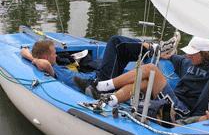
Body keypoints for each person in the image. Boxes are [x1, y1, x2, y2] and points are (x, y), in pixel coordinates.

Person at [77, 36, 209, 119]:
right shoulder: (188, 62)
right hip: (173, 98)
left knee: (150, 70)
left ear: (205, 54)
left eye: (193, 53)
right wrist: (165, 54)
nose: (189, 56)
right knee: (143, 82)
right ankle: (110, 100)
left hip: (183, 109)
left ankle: (103, 86)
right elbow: (173, 57)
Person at [21, 34, 179, 91]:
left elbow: (29, 54)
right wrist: (32, 58)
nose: (56, 56)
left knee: (122, 52)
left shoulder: (55, 66)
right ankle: (155, 49)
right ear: (45, 56)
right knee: (115, 41)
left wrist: (28, 53)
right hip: (98, 83)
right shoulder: (49, 67)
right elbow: (45, 64)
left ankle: (156, 50)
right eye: (54, 53)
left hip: (97, 77)